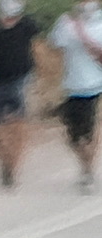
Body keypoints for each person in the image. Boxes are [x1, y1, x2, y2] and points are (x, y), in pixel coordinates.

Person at [0, 0, 48, 179]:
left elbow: (39, 50)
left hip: (21, 79)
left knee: (18, 124)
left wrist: (43, 78)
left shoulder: (28, 24)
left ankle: (12, 166)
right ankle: (5, 157)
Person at [59, 8, 102, 192]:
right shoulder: (65, 22)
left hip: (93, 85)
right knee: (73, 135)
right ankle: (85, 164)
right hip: (72, 86)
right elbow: (56, 45)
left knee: (88, 130)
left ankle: (87, 170)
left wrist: (83, 34)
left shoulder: (99, 24)